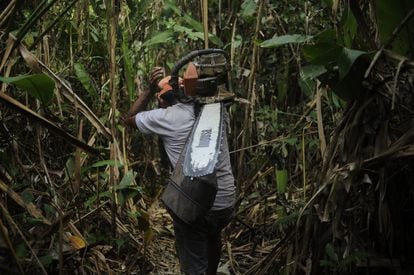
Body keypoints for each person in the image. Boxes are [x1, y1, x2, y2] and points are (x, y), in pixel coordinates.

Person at [122, 67, 235, 275]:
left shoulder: (165, 117)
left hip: (194, 205)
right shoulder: (216, 110)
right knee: (212, 233)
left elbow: (128, 119)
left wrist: (148, 90)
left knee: (193, 249)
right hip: (225, 203)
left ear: (163, 100)